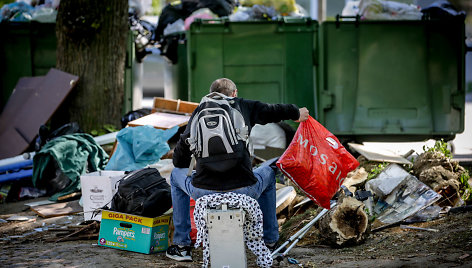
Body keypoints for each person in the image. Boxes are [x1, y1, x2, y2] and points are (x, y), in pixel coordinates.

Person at [166, 78, 309, 262]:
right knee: (268, 173)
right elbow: (272, 111)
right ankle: (271, 242)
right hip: (244, 189)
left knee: (175, 175)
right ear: (235, 93)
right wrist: (296, 112)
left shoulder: (198, 113)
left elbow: (179, 160)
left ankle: (181, 246)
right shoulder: (243, 106)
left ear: (210, 93)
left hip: (203, 191)